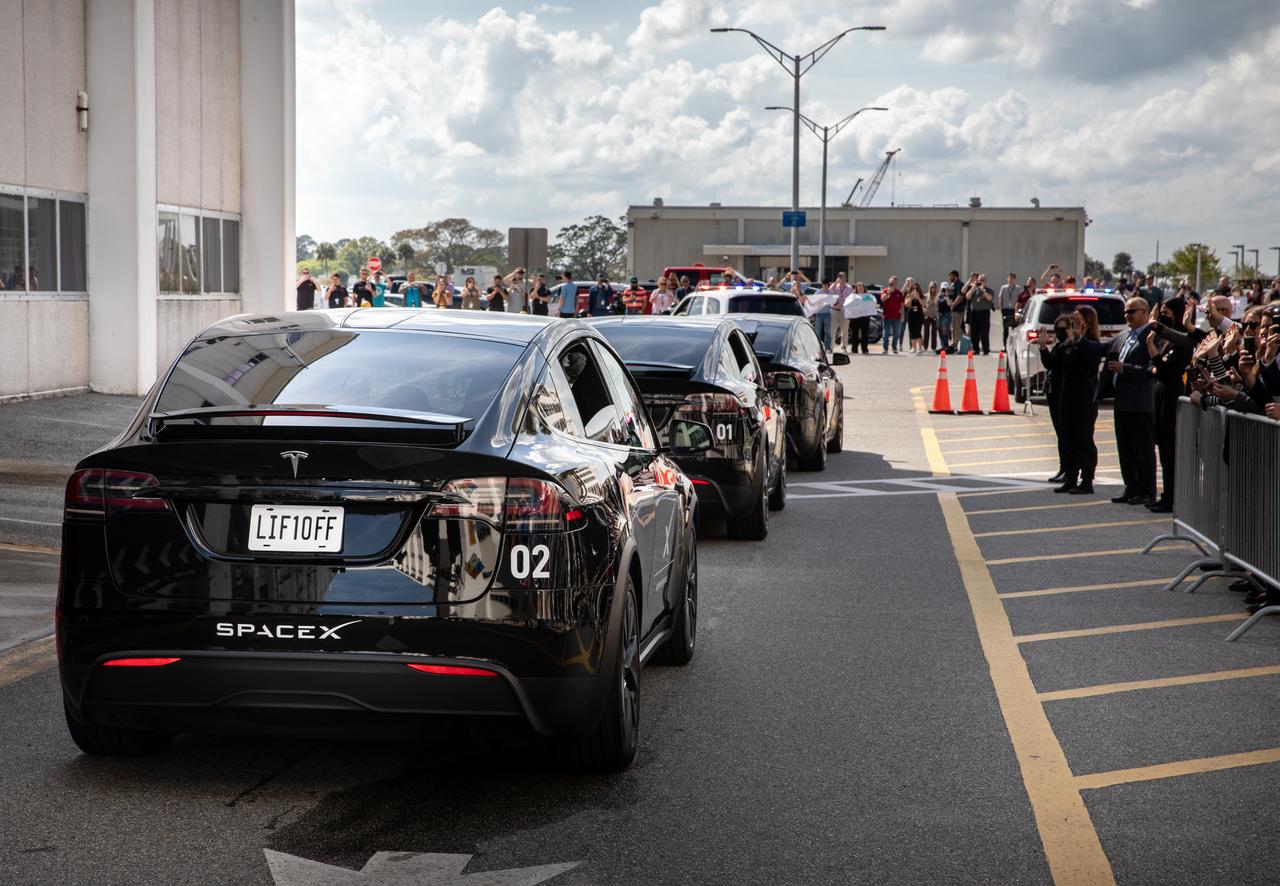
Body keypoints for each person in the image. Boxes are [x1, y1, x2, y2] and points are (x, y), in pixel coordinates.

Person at [1087, 296, 1157, 505]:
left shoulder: (1152, 337)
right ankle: (1131, 487)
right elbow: (1102, 350)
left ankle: (1147, 490)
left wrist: (1125, 369)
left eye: (1131, 312)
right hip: (1122, 401)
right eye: (1125, 312)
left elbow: (1152, 369)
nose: (1127, 315)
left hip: (1141, 402)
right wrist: (1080, 338)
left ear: (1145, 313)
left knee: (1143, 449)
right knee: (1125, 448)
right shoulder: (1123, 336)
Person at [1144, 296, 1191, 512]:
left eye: (1167, 311)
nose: (1163, 315)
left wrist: (1151, 346)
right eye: (1161, 311)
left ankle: (1171, 497)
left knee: (1170, 452)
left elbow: (1166, 370)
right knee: (1163, 450)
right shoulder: (1166, 339)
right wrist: (1156, 361)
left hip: (1173, 399)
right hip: (1160, 396)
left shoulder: (1182, 339)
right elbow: (1153, 368)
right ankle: (1166, 495)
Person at [1054, 307, 1104, 493]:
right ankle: (1071, 477)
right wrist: (1047, 347)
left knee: (1084, 438)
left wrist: (1079, 340)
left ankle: (1087, 481)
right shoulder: (1070, 341)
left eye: (1077, 319)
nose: (1073, 322)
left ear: (1087, 322)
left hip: (1084, 396)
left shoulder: (1091, 342)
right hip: (1067, 394)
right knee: (1068, 437)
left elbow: (1088, 366)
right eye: (1072, 318)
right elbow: (1056, 362)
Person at [1036, 316, 1073, 486]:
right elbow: (1049, 363)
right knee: (1060, 432)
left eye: (1064, 328)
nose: (1060, 332)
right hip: (1054, 392)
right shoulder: (1060, 346)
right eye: (1057, 329)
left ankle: (1070, 469)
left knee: (1066, 433)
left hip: (1065, 392)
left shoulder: (1071, 346)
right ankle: (1064, 467)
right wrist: (1043, 346)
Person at [962, 273, 995, 355]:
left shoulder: (989, 290)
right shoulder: (974, 290)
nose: (980, 282)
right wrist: (974, 287)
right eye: (979, 280)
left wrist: (982, 289)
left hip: (984, 313)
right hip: (974, 313)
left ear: (985, 281)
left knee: (984, 332)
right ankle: (975, 349)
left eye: (982, 280)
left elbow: (990, 298)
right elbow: (967, 296)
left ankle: (986, 349)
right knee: (974, 332)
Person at [845, 281, 875, 354]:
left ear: (864, 289)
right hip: (855, 318)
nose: (860, 289)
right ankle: (854, 349)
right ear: (856, 289)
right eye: (859, 288)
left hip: (865, 318)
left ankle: (864, 349)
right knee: (854, 334)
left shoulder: (867, 296)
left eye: (862, 288)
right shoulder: (853, 296)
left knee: (865, 334)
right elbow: (848, 305)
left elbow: (871, 304)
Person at [880, 276, 904, 354]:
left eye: (894, 283)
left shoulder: (899, 292)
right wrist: (888, 293)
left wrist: (902, 314)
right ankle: (885, 349)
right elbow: (882, 299)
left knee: (896, 333)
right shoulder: (885, 290)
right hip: (887, 316)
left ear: (896, 283)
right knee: (885, 333)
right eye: (891, 283)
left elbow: (901, 305)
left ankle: (894, 348)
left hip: (897, 316)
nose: (892, 284)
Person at [830, 272, 853, 354]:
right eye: (840, 277)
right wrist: (836, 282)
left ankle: (843, 347)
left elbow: (851, 299)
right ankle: (831, 347)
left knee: (845, 330)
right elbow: (829, 290)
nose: (842, 278)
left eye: (843, 277)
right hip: (835, 310)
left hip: (845, 311)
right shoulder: (835, 286)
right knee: (832, 330)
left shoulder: (849, 287)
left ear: (845, 278)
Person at [903, 279, 926, 354]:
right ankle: (913, 347)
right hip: (911, 315)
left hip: (919, 316)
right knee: (912, 331)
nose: (914, 290)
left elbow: (923, 304)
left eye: (916, 288)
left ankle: (920, 347)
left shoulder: (922, 296)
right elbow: (906, 304)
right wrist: (911, 298)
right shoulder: (908, 295)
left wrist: (918, 297)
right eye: (913, 288)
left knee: (918, 331)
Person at [998, 272, 1020, 348]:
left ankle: (1015, 345)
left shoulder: (1017, 288)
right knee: (1005, 329)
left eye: (1012, 278)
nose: (1010, 280)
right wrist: (1001, 308)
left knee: (1015, 328)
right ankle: (1004, 345)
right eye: (1009, 278)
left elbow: (1019, 300)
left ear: (1014, 279)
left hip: (1014, 310)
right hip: (1006, 309)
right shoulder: (1003, 288)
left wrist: (1017, 310)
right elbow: (1000, 298)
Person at [923, 281, 941, 352]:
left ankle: (933, 347)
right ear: (929, 288)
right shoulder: (926, 296)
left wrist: (937, 311)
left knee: (934, 332)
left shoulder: (937, 296)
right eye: (931, 287)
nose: (933, 289)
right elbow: (923, 306)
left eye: (934, 287)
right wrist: (925, 312)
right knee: (926, 332)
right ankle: (925, 347)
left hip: (934, 316)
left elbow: (939, 306)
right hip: (927, 316)